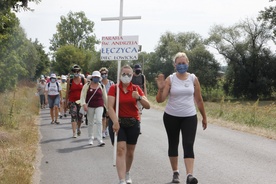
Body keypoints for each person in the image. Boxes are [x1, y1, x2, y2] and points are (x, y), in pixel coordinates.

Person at [155, 52, 207, 184]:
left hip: (189, 116)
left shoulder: (193, 79)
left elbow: (199, 100)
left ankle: (190, 175)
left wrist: (204, 117)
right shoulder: (170, 79)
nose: (182, 65)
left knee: (188, 144)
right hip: (171, 116)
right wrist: (161, 89)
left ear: (188, 64)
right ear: (175, 65)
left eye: (184, 63)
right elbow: (160, 100)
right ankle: (175, 173)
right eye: (179, 63)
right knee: (173, 143)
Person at [108, 65, 150, 184]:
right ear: (120, 75)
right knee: (121, 149)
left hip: (133, 122)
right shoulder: (114, 88)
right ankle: (121, 180)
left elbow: (148, 105)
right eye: (124, 74)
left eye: (129, 74)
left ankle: (127, 173)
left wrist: (139, 97)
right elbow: (110, 107)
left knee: (130, 152)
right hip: (118, 122)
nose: (126, 76)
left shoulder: (136, 89)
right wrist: (115, 122)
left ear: (132, 76)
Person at [80, 71, 107, 146]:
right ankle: (90, 138)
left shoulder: (101, 86)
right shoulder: (87, 85)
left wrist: (108, 108)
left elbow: (105, 97)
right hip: (90, 106)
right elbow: (82, 95)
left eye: (97, 77)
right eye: (95, 77)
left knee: (99, 121)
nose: (96, 78)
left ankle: (100, 139)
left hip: (99, 105)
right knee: (90, 122)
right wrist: (84, 104)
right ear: (92, 77)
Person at [65, 64, 86, 138]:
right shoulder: (70, 81)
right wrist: (66, 103)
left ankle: (79, 128)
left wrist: (86, 102)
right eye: (74, 71)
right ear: (72, 72)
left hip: (81, 101)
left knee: (80, 116)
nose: (76, 72)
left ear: (80, 71)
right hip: (72, 101)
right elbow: (67, 91)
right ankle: (74, 132)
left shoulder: (83, 80)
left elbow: (86, 91)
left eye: (77, 71)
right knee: (73, 116)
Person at [99, 67, 115, 138]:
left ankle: (107, 128)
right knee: (103, 117)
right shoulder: (99, 83)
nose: (104, 75)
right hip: (101, 102)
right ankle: (103, 130)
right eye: (102, 74)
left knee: (108, 117)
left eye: (105, 73)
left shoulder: (111, 83)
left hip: (110, 102)